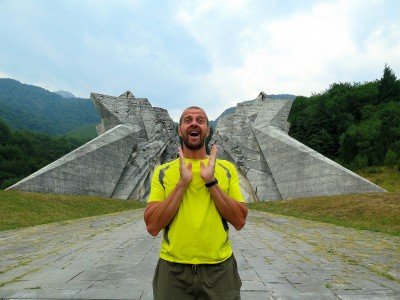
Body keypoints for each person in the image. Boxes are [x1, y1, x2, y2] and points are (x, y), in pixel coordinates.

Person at [144, 106, 248, 300]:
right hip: (173, 270)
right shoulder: (163, 171)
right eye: (188, 120)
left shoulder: (226, 169)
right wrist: (182, 184)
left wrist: (211, 182)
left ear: (208, 130)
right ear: (180, 129)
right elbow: (152, 226)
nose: (194, 123)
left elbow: (240, 220)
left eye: (200, 120)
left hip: (220, 269)